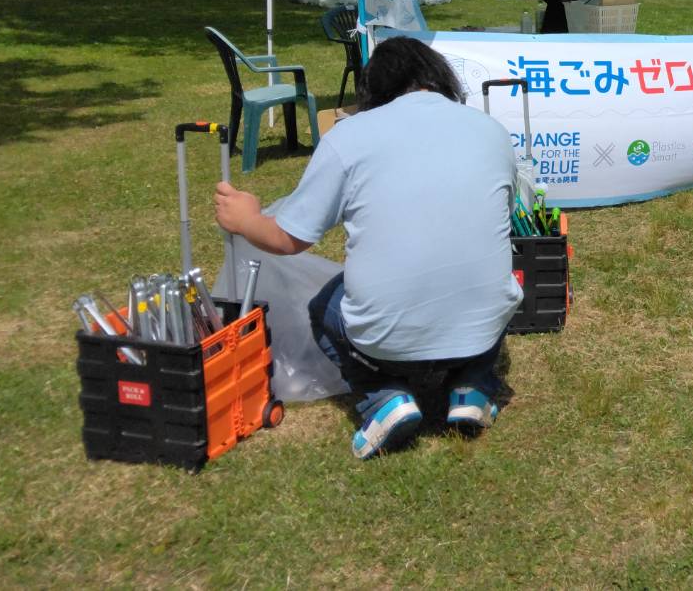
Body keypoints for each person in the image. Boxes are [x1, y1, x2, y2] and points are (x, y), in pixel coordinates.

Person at [213, 36, 523, 460]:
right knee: (489, 287)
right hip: (481, 327)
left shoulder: (351, 135)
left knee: (325, 305)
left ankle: (383, 398)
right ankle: (473, 386)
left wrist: (245, 218)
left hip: (386, 342)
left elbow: (288, 239)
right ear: (438, 78)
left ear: (374, 89)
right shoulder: (491, 130)